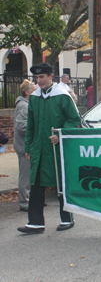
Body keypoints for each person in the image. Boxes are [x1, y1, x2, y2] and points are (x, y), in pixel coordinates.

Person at [17, 63, 81, 234]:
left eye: (42, 77)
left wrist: (60, 134)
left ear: (51, 76)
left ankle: (67, 218)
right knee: (36, 184)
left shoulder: (62, 95)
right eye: (37, 78)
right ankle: (35, 223)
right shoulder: (35, 97)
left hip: (56, 146)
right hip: (38, 147)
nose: (39, 81)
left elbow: (74, 119)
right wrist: (28, 146)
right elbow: (31, 125)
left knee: (61, 182)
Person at [14, 80, 37, 212]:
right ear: (26, 92)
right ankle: (24, 202)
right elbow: (21, 126)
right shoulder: (23, 106)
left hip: (27, 146)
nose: (36, 91)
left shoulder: (27, 104)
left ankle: (31, 200)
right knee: (26, 177)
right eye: (33, 89)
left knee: (30, 176)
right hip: (24, 147)